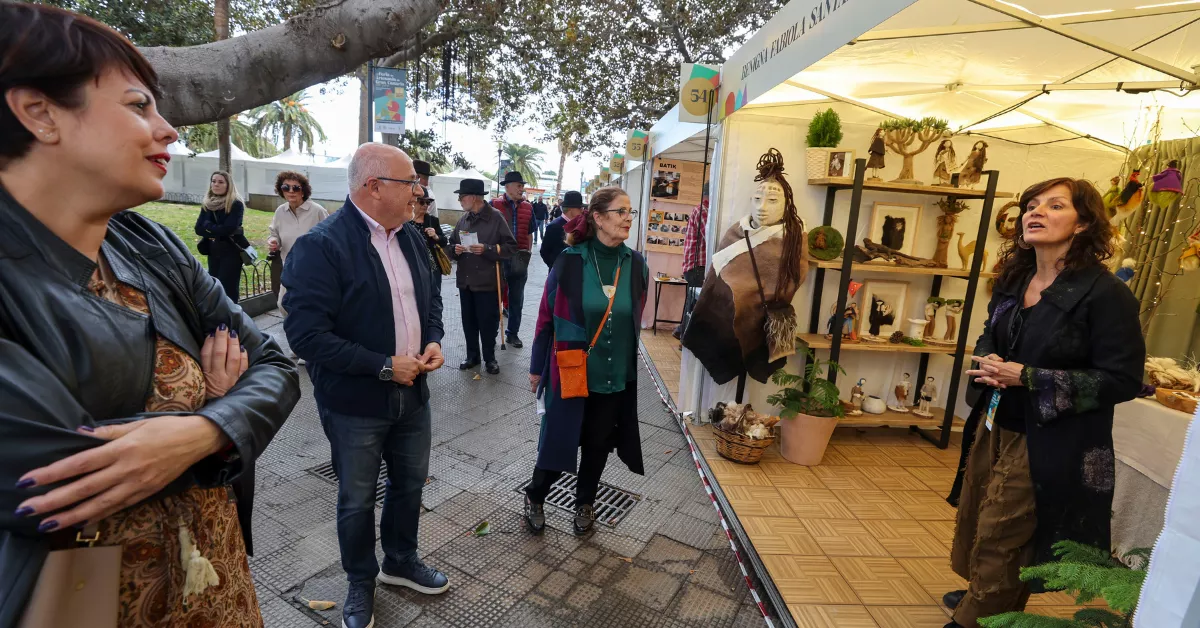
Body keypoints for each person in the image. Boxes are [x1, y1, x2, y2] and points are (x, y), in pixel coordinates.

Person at [0, 5, 300, 625]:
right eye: (139, 106)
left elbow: (273, 365)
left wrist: (201, 429)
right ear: (39, 113)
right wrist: (216, 400)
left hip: (215, 581)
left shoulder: (148, 244)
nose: (167, 130)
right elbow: (58, 475)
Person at [942, 178, 1145, 628]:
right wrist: (988, 357)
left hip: (1055, 439)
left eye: (1055, 206)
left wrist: (1027, 376)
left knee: (1004, 532)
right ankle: (989, 597)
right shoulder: (1015, 278)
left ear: (1084, 222)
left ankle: (977, 615)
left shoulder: (1107, 294)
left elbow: (1123, 380)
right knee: (979, 517)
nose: (1035, 213)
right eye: (1031, 205)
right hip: (996, 422)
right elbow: (989, 334)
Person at [282, 143, 449, 628]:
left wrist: (434, 339)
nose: (418, 193)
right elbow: (306, 336)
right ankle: (361, 580)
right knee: (357, 498)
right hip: (357, 402)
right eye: (409, 184)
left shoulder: (412, 237)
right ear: (374, 187)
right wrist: (382, 366)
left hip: (414, 394)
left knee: (410, 484)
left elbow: (431, 299)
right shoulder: (323, 245)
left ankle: (400, 560)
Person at [524, 186, 648, 536]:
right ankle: (535, 496)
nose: (627, 218)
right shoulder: (571, 260)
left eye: (630, 212)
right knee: (559, 439)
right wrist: (537, 368)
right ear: (597, 217)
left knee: (597, 444)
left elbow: (632, 319)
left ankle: (585, 502)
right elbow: (546, 318)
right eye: (620, 211)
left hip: (615, 375)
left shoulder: (637, 265)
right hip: (571, 371)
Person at [450, 178, 517, 374]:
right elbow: (451, 245)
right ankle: (473, 356)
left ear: (473, 197)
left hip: (488, 281)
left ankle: (490, 358)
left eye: (461, 197)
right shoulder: (463, 219)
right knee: (468, 321)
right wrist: (456, 249)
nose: (460, 201)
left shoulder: (496, 217)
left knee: (488, 323)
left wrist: (487, 249)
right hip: (466, 281)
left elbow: (511, 247)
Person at [268, 170, 329, 320]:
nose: (291, 191)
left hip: (313, 270)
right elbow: (274, 233)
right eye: (286, 187)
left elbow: (330, 238)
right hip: (288, 267)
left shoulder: (317, 211)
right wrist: (273, 241)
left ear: (303, 191)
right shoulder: (280, 212)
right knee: (283, 304)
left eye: (296, 187)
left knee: (312, 307)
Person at [491, 171, 536, 347]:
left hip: (519, 258)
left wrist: (529, 252)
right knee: (496, 297)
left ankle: (513, 334)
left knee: (517, 299)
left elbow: (530, 232)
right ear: (507, 186)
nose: (521, 189)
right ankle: (493, 332)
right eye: (518, 185)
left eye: (522, 186)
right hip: (500, 257)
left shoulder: (528, 207)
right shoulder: (494, 205)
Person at [195, 170, 246, 302]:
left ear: (228, 185)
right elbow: (198, 229)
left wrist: (209, 226)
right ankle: (218, 319)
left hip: (231, 251)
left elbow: (228, 229)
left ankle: (233, 319)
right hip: (213, 251)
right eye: (213, 181)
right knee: (214, 286)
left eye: (220, 182)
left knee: (228, 289)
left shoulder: (235, 204)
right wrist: (214, 230)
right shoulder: (207, 203)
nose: (216, 184)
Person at [676, 185, 710, 338]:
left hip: (695, 265)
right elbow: (708, 237)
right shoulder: (703, 211)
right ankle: (684, 335)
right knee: (695, 305)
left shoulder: (701, 209)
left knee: (692, 303)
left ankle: (681, 332)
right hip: (698, 265)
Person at [540, 190, 584, 268]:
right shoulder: (554, 226)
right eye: (580, 208)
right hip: (559, 274)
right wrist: (556, 267)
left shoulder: (580, 224)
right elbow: (544, 252)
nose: (582, 210)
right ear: (571, 210)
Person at [413, 184, 447, 272]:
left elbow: (444, 241)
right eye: (421, 202)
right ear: (413, 201)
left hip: (432, 268)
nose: (425, 205)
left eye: (428, 202)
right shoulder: (404, 222)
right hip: (413, 267)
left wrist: (436, 236)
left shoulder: (432, 220)